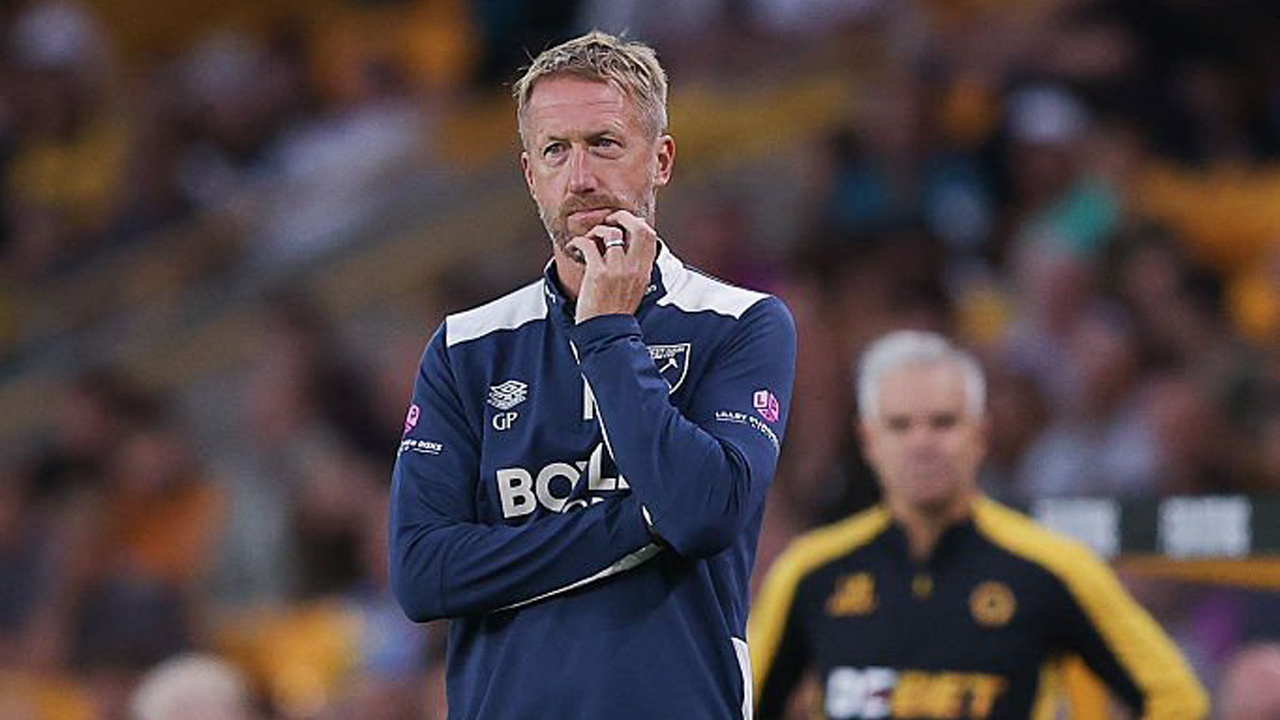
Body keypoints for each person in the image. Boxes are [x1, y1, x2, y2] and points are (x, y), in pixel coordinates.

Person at [389, 30, 796, 720]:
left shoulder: (742, 322)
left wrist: (606, 330)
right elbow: (424, 575)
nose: (580, 177)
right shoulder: (466, 347)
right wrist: (645, 519)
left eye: (604, 143)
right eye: (556, 150)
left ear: (660, 159)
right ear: (529, 173)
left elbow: (703, 512)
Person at [749, 329, 1207, 720]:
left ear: (980, 433)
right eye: (900, 425)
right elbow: (729, 702)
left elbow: (1173, 697)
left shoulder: (1053, 567)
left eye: (943, 423)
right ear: (869, 439)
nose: (922, 443)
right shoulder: (809, 572)